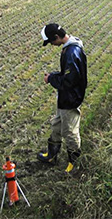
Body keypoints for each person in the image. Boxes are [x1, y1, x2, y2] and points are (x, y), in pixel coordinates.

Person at [37, 23, 87, 173]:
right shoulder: (68, 48)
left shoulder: (72, 52)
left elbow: (69, 81)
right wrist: (54, 76)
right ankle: (52, 154)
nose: (52, 45)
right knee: (56, 125)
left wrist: (51, 79)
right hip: (64, 97)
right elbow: (67, 74)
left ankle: (74, 162)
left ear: (56, 37)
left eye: (51, 42)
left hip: (70, 99)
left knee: (70, 132)